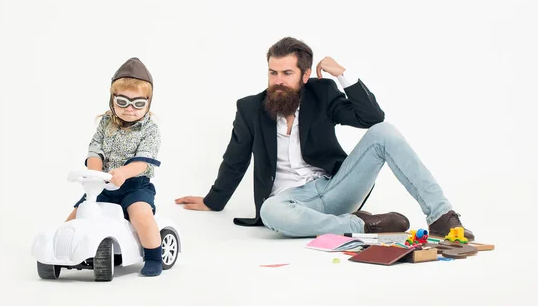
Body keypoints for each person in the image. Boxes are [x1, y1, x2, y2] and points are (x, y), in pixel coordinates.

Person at [175, 37, 475, 240]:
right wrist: (214, 201)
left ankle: (441, 217)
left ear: (305, 75)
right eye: (272, 72)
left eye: (287, 73)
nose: (277, 80)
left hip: (336, 187)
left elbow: (371, 118)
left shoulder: (323, 93)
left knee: (385, 133)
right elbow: (235, 158)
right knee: (269, 212)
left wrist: (343, 75)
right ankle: (362, 224)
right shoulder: (250, 108)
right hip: (291, 201)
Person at [67, 57, 164, 276]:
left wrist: (122, 172)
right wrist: (95, 173)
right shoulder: (105, 123)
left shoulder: (150, 130)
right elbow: (95, 150)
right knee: (77, 214)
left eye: (138, 103)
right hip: (103, 185)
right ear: (112, 100)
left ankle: (153, 256)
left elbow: (142, 162)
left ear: (148, 102)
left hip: (135, 185)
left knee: (141, 214)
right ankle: (66, 248)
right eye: (123, 102)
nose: (130, 109)